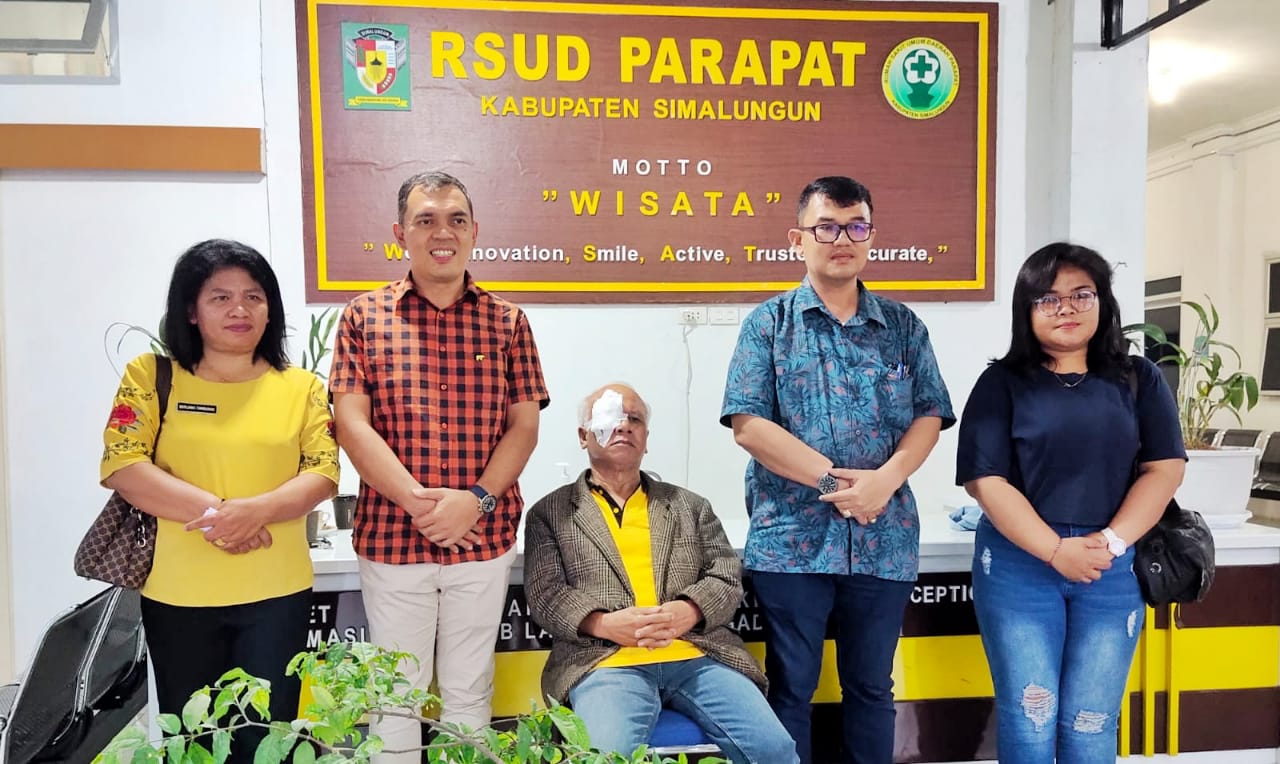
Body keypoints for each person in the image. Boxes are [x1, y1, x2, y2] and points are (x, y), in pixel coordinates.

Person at [720, 176, 955, 764]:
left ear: (871, 236)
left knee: (873, 689)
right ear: (798, 238)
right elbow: (748, 424)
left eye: (855, 226)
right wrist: (833, 482)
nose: (841, 239)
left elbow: (931, 413)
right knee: (790, 687)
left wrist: (885, 481)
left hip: (884, 538)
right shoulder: (768, 325)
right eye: (826, 226)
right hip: (791, 543)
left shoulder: (903, 327)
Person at [329, 170, 549, 760]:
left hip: (482, 538)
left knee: (469, 691)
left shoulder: (508, 322)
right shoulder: (362, 317)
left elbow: (523, 426)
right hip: (394, 541)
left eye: (455, 219)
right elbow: (352, 424)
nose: (441, 232)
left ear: (474, 231)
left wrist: (473, 500)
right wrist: (420, 505)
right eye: (425, 220)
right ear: (400, 232)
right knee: (393, 698)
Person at [101, 239, 339, 763]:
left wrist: (256, 513)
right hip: (178, 594)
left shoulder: (301, 387)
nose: (240, 310)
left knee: (267, 739)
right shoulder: (152, 376)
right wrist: (222, 514)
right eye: (221, 297)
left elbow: (322, 472)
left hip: (276, 593)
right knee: (194, 742)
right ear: (191, 308)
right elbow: (124, 464)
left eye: (254, 297)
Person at [955, 242, 1185, 763]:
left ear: (1102, 301)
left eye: (1081, 294)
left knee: (1091, 722)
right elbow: (985, 481)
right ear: (1026, 310)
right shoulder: (1001, 384)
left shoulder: (1139, 378)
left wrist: (1110, 541)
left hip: (1111, 563)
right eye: (1048, 298)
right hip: (1019, 565)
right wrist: (1056, 550)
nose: (1066, 308)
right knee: (1030, 718)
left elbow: (1164, 468)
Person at [524, 384, 798, 764]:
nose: (623, 427)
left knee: (776, 750)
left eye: (634, 420)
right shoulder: (549, 513)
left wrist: (688, 611)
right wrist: (603, 624)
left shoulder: (690, 506)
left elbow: (725, 575)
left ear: (646, 440)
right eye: (610, 418)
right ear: (584, 436)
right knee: (607, 757)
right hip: (605, 661)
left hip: (698, 655)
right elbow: (545, 593)